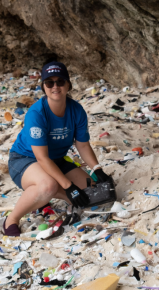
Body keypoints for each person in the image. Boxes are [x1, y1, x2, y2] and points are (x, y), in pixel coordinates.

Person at [2, 61, 112, 236]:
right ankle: (11, 219)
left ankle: (42, 198)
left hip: (57, 159)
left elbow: (82, 144)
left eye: (60, 81)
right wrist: (68, 187)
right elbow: (42, 158)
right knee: (49, 185)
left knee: (91, 189)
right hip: (25, 159)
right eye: (49, 82)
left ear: (68, 84)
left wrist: (97, 169)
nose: (55, 86)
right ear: (43, 86)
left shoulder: (77, 111)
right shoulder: (36, 114)